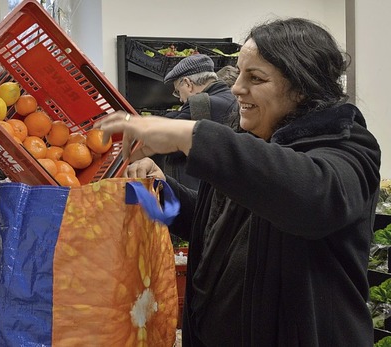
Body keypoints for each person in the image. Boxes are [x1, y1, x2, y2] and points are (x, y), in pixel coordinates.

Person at [97, 18, 380, 347]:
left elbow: (313, 199)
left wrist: (190, 135)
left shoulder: (348, 147)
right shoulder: (255, 142)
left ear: (302, 87)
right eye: (240, 73)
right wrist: (157, 191)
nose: (236, 88)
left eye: (256, 78)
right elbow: (213, 227)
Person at [155, 54, 237, 190]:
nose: (180, 99)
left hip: (196, 193)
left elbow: (168, 142)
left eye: (178, 91)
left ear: (187, 83)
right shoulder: (229, 98)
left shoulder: (201, 104)